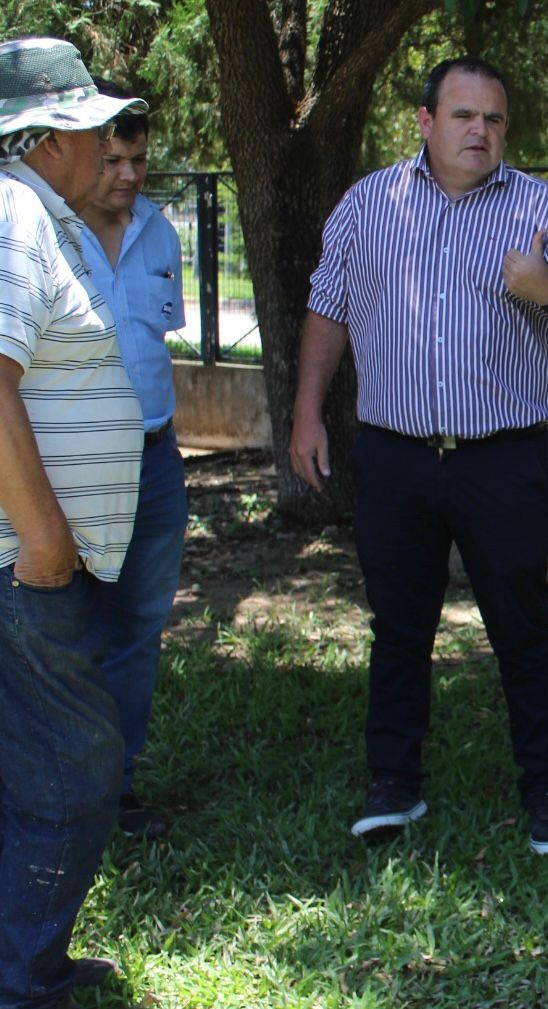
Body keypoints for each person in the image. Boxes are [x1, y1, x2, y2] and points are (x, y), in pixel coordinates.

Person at [289, 55, 548, 855]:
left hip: (500, 460)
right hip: (395, 459)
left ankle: (545, 792)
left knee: (521, 629)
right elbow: (327, 309)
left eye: (494, 119)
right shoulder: (370, 204)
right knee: (398, 629)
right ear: (426, 123)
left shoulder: (542, 209)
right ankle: (393, 786)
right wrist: (305, 412)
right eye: (464, 116)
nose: (481, 131)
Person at [0, 36, 148, 1009]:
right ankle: (23, 977)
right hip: (23, 559)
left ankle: (27, 961)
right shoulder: (15, 216)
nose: (106, 143)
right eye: (89, 124)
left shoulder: (39, 214)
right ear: (46, 135)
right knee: (79, 764)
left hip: (34, 556)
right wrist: (47, 535)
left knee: (39, 761)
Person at [78, 78, 188, 841]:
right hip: (71, 467)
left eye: (138, 160)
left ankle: (113, 792)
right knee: (62, 631)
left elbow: (158, 339)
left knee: (138, 631)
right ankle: (56, 794)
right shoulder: (37, 233)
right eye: (111, 158)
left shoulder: (159, 232)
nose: (126, 175)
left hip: (155, 460)